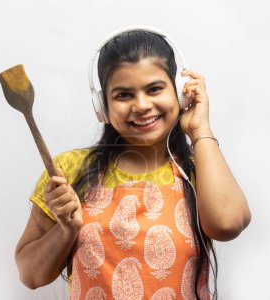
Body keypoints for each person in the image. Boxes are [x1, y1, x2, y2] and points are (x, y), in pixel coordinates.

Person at [14, 26, 251, 300]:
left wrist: (200, 131)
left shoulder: (201, 167)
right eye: (123, 95)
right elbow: (31, 276)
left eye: (155, 89)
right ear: (101, 106)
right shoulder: (68, 170)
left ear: (179, 92)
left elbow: (228, 225)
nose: (141, 105)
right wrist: (66, 230)